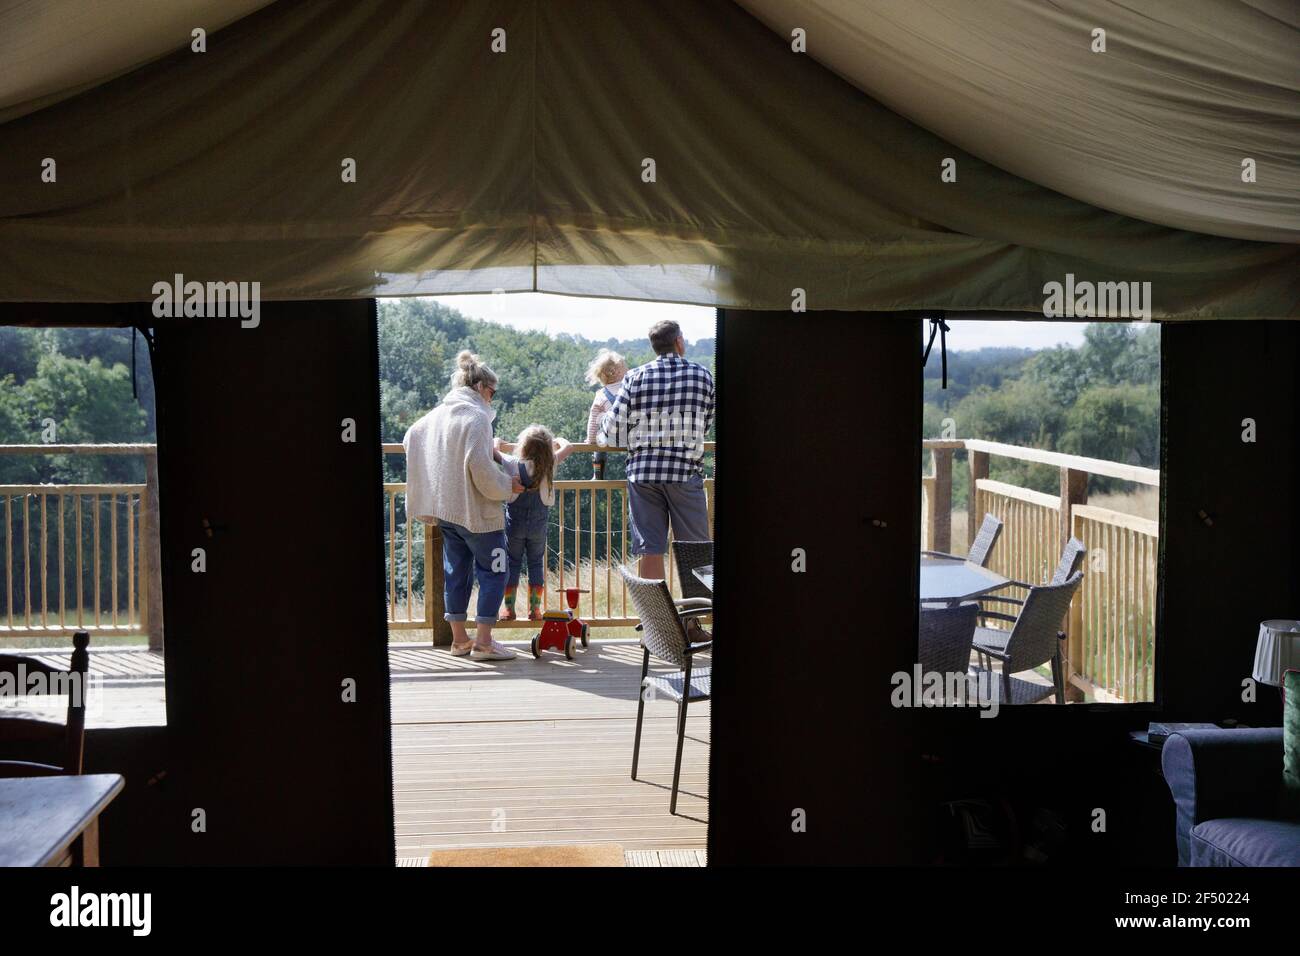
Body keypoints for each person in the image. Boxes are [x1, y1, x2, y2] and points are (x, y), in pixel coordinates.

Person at [403, 350, 523, 661]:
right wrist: (509, 487)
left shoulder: (438, 414)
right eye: (493, 393)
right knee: (495, 572)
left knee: (456, 572)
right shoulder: (477, 416)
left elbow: (410, 436)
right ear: (483, 388)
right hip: (479, 514)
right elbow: (482, 472)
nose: (492, 400)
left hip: (446, 510)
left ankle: (459, 641)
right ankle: (483, 643)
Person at [601, 320, 714, 583]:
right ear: (679, 342)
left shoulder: (635, 377)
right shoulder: (702, 375)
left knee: (650, 551)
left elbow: (613, 430)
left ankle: (656, 621)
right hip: (684, 471)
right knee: (696, 551)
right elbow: (705, 425)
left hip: (643, 474)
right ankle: (693, 620)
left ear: (655, 347)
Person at [494, 425, 575, 619]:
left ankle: (509, 609)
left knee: (512, 563)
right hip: (538, 525)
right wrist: (557, 441)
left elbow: (493, 450)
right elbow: (569, 446)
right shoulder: (550, 463)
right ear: (547, 449)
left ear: (522, 446)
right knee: (536, 563)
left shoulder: (513, 463)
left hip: (515, 525)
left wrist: (498, 440)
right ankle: (535, 609)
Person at [584, 349, 627, 479]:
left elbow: (593, 420)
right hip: (633, 436)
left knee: (599, 441)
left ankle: (598, 474)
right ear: (618, 371)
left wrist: (591, 439)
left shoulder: (601, 395)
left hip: (612, 437)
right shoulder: (630, 389)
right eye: (626, 367)